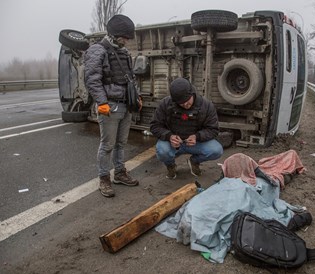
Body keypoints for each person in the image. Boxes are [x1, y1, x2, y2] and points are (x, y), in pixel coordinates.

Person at [84, 14, 142, 198]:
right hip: (109, 106)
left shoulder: (124, 53)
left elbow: (130, 78)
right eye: (124, 37)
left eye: (127, 37)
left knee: (121, 143)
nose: (126, 41)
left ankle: (119, 173)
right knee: (107, 145)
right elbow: (92, 80)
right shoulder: (97, 50)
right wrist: (101, 102)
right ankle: (104, 178)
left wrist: (136, 97)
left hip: (126, 105)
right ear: (115, 34)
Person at [150, 77, 223, 179]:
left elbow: (213, 129)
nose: (185, 104)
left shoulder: (206, 105)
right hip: (173, 144)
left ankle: (194, 161)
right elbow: (155, 126)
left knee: (216, 150)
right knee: (162, 150)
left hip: (195, 143)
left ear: (192, 93)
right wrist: (169, 136)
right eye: (181, 103)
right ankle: (170, 165)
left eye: (187, 100)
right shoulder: (165, 104)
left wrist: (197, 137)